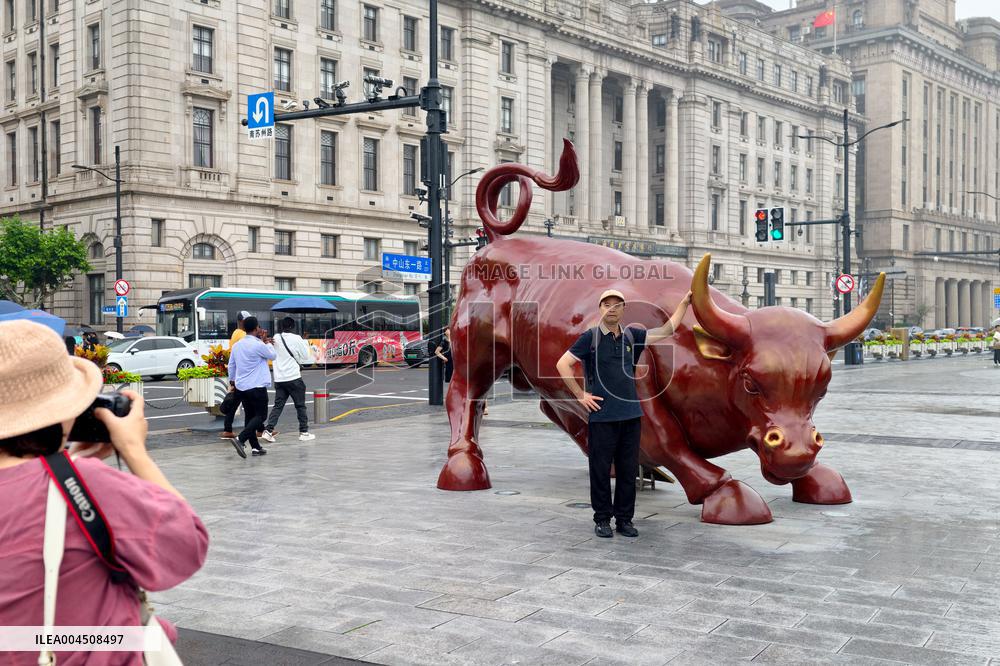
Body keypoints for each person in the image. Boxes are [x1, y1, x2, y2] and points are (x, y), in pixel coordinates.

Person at [0, 320, 209, 664]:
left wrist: (70, 468)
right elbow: (186, 545)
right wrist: (134, 451)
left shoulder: (74, 481)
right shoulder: (87, 484)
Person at [556, 289, 691, 539]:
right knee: (600, 471)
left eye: (617, 305)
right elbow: (563, 364)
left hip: (630, 415)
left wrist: (683, 304)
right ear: (600, 308)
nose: (612, 308)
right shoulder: (590, 338)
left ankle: (624, 520)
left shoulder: (632, 336)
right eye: (607, 304)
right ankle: (602, 520)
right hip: (602, 416)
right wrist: (580, 395)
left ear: (623, 309)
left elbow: (667, 330)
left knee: (628, 471)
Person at [225, 316, 276, 458]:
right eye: (259, 327)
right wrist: (267, 342)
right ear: (256, 328)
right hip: (257, 386)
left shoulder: (237, 345)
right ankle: (240, 439)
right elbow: (273, 355)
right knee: (261, 415)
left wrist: (232, 381)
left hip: (242, 386)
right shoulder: (258, 345)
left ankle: (255, 447)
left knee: (250, 416)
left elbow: (231, 365)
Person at [262, 317, 315, 442]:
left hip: (279, 379)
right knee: (300, 406)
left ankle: (268, 430)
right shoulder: (297, 338)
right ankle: (304, 432)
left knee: (278, 406)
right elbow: (305, 356)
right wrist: (304, 341)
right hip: (293, 378)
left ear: (282, 326)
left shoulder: (276, 337)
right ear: (292, 327)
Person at [221, 310, 252, 439]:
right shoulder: (242, 334)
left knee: (235, 403)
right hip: (244, 373)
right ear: (242, 321)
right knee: (251, 404)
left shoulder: (235, 332)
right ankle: (258, 430)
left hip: (238, 373)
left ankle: (227, 429)